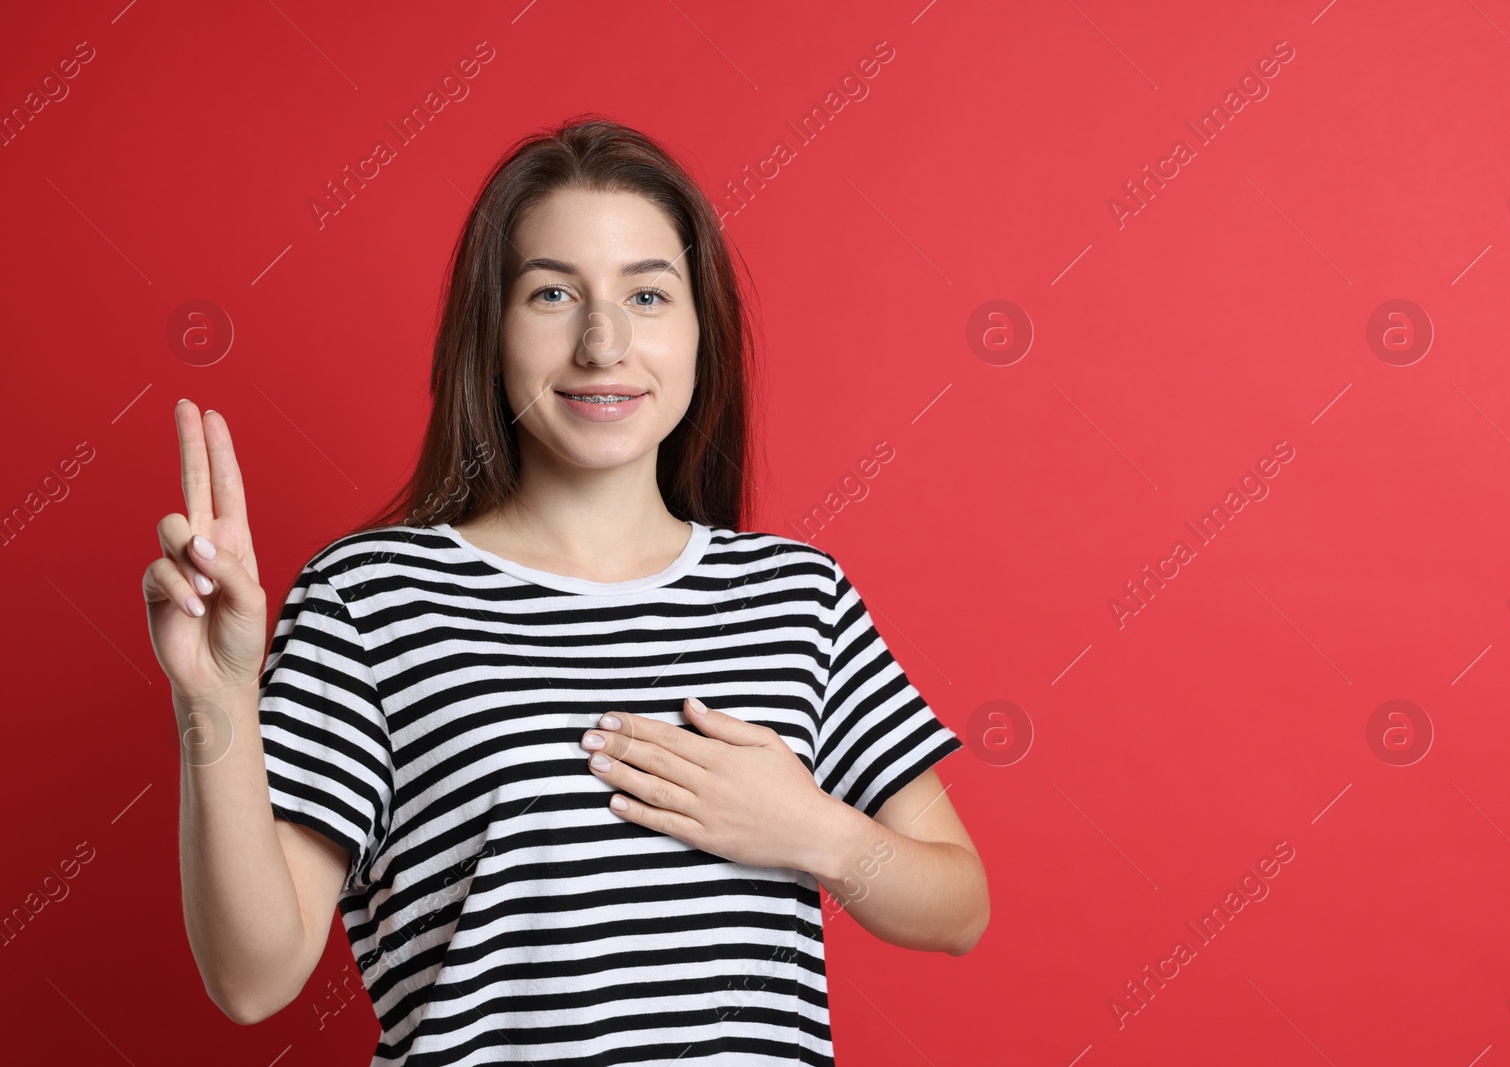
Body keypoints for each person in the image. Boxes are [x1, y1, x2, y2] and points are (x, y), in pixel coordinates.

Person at [143, 115, 987, 1066]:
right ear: (491, 328)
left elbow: (958, 906)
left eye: (648, 294)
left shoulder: (798, 596)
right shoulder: (371, 598)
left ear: (701, 328)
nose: (603, 341)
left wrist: (815, 832)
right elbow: (252, 978)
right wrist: (215, 703)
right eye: (552, 292)